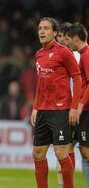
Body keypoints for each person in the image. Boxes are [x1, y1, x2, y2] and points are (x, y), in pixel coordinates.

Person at [31, 17, 81, 188]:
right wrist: (35, 107)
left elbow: (77, 78)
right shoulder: (39, 54)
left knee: (61, 152)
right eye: (40, 28)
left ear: (54, 32)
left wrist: (74, 107)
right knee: (38, 153)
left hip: (60, 110)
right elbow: (40, 84)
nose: (42, 32)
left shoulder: (64, 52)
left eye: (46, 28)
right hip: (43, 111)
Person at [55, 22, 80, 188]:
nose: (61, 40)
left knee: (72, 150)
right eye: (59, 37)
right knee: (66, 149)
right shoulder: (57, 56)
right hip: (63, 108)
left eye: (64, 37)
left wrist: (76, 105)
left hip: (76, 108)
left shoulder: (77, 56)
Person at [65, 22, 89, 187]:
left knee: (86, 150)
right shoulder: (84, 54)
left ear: (75, 38)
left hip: (87, 109)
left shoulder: (86, 55)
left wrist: (80, 105)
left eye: (67, 39)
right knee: (83, 149)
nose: (66, 43)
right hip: (85, 108)